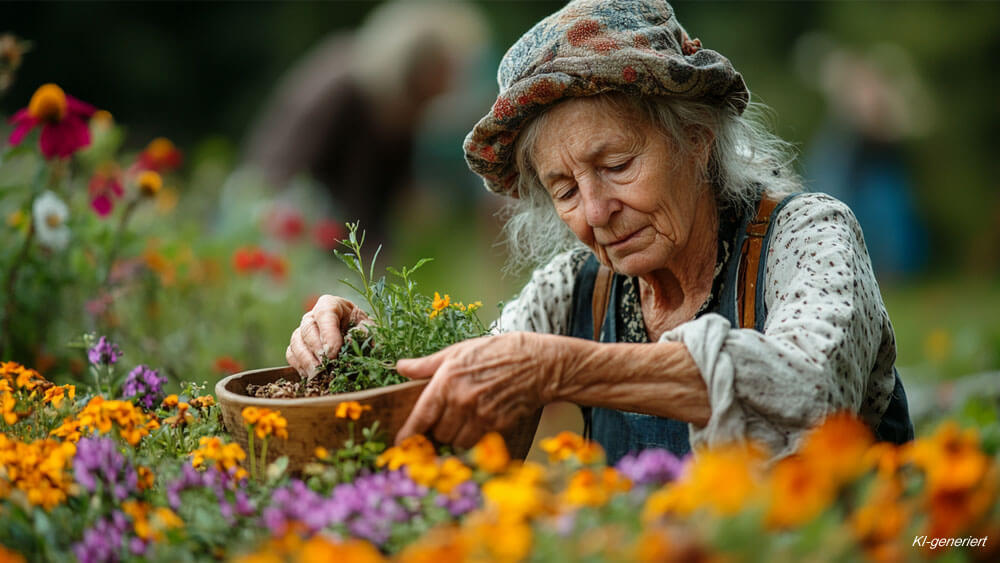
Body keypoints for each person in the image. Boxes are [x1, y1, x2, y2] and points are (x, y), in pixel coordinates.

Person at [286, 0, 913, 463]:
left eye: (616, 167)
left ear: (696, 140)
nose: (594, 211)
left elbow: (809, 387)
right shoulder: (576, 287)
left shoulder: (805, 233)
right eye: (563, 190)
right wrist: (361, 351)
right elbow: (471, 388)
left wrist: (559, 367)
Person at [243, 0, 487, 247]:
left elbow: (384, 202)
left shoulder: (405, 114)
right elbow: (282, 172)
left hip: (340, 247)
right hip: (280, 226)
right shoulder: (342, 89)